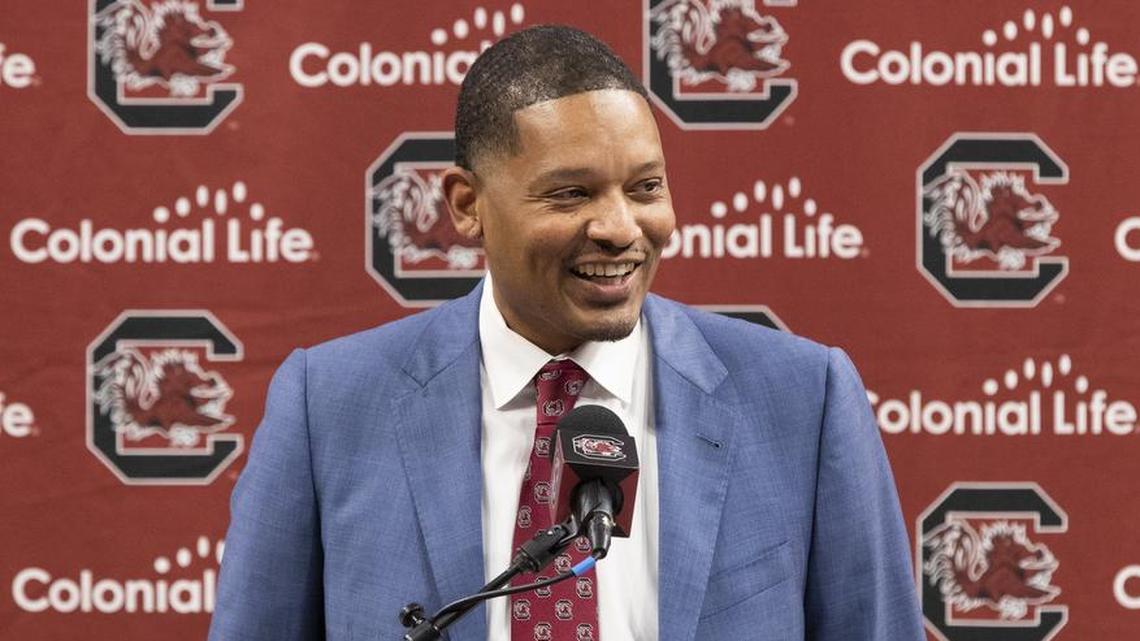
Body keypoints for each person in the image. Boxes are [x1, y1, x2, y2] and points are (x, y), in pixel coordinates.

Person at [209, 25, 925, 641]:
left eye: (646, 187)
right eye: (571, 193)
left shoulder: (805, 399)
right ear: (467, 205)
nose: (620, 229)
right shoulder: (327, 405)